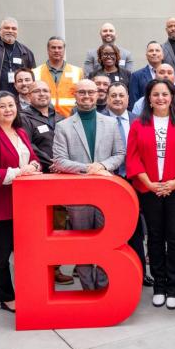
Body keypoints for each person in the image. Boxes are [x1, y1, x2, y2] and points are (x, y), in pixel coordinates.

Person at [126, 78, 175, 309]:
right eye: (156, 94)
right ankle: (159, 285)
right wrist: (148, 183)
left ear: (172, 97)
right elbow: (133, 156)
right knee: (155, 238)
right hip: (149, 190)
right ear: (149, 98)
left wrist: (174, 182)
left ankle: (173, 287)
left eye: (165, 94)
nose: (160, 98)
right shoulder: (139, 124)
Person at [51, 80, 127, 290]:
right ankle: (88, 289)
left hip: (106, 194)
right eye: (82, 92)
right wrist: (88, 168)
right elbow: (59, 160)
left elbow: (120, 154)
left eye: (91, 92)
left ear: (98, 95)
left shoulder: (111, 123)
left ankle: (103, 287)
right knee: (82, 245)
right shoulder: (63, 126)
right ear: (75, 95)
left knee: (107, 243)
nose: (87, 96)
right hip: (78, 196)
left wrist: (102, 165)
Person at [0, 92, 42, 312]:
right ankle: (5, 297)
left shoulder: (21, 132)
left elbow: (33, 158)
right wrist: (18, 172)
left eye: (11, 105)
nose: (8, 110)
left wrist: (33, 166)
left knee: (27, 252)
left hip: (25, 204)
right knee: (1, 255)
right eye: (2, 106)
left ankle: (29, 290)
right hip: (0, 205)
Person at [20, 80, 72, 285]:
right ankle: (39, 269)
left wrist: (65, 165)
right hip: (38, 178)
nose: (42, 94)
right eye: (37, 91)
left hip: (60, 179)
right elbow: (28, 145)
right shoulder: (24, 118)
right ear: (28, 95)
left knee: (58, 224)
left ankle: (56, 267)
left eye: (45, 90)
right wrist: (52, 163)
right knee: (39, 227)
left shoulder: (60, 117)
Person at [102, 82, 151, 285]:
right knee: (112, 229)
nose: (117, 99)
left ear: (128, 99)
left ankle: (140, 272)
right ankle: (114, 275)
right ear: (106, 99)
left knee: (137, 230)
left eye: (121, 95)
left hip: (136, 181)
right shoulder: (100, 121)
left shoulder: (139, 121)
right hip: (111, 181)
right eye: (113, 95)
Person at [0, 17, 36, 95]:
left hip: (18, 97)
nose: (10, 31)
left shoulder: (26, 52)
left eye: (14, 29)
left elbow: (33, 77)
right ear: (0, 31)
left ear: (17, 32)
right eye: (6, 28)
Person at [32, 36, 84, 117]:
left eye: (60, 48)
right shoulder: (35, 72)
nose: (57, 50)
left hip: (70, 118)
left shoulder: (78, 72)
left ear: (64, 50)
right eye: (53, 48)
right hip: (43, 118)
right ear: (48, 50)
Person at [129, 41, 165, 109]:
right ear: (146, 56)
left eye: (157, 50)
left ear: (163, 55)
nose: (154, 53)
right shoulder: (136, 76)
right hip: (144, 116)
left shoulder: (173, 75)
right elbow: (133, 101)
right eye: (151, 51)